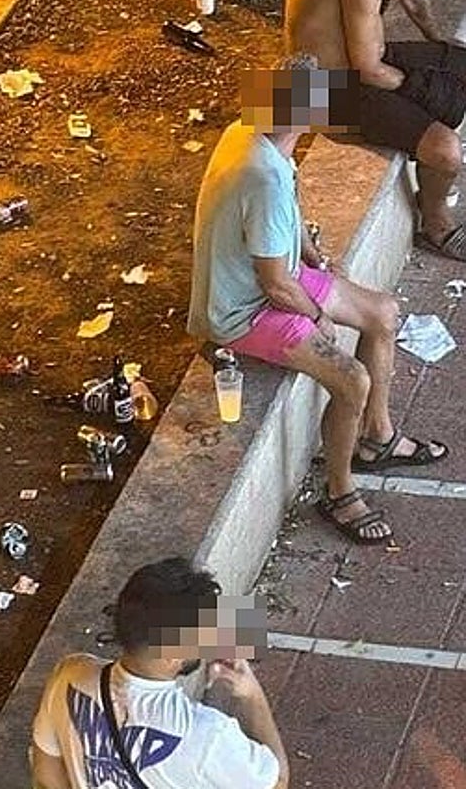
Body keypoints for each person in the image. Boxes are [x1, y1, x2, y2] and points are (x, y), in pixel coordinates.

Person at [188, 56, 448, 545]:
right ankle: (339, 491)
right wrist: (317, 316)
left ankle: (378, 435)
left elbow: (288, 193)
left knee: (384, 315)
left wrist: (309, 250)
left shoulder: (257, 134)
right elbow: (276, 286)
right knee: (352, 378)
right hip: (244, 312)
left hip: (276, 277)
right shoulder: (259, 177)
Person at [30, 558, 288, 789]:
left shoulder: (69, 674)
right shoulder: (208, 734)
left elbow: (47, 777)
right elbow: (277, 783)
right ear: (173, 653)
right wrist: (252, 695)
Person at [285, 0, 466, 259]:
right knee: (446, 150)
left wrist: (439, 44)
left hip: (357, 66)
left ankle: (431, 171)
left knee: (457, 68)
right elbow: (369, 69)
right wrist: (422, 88)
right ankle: (437, 225)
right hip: (317, 93)